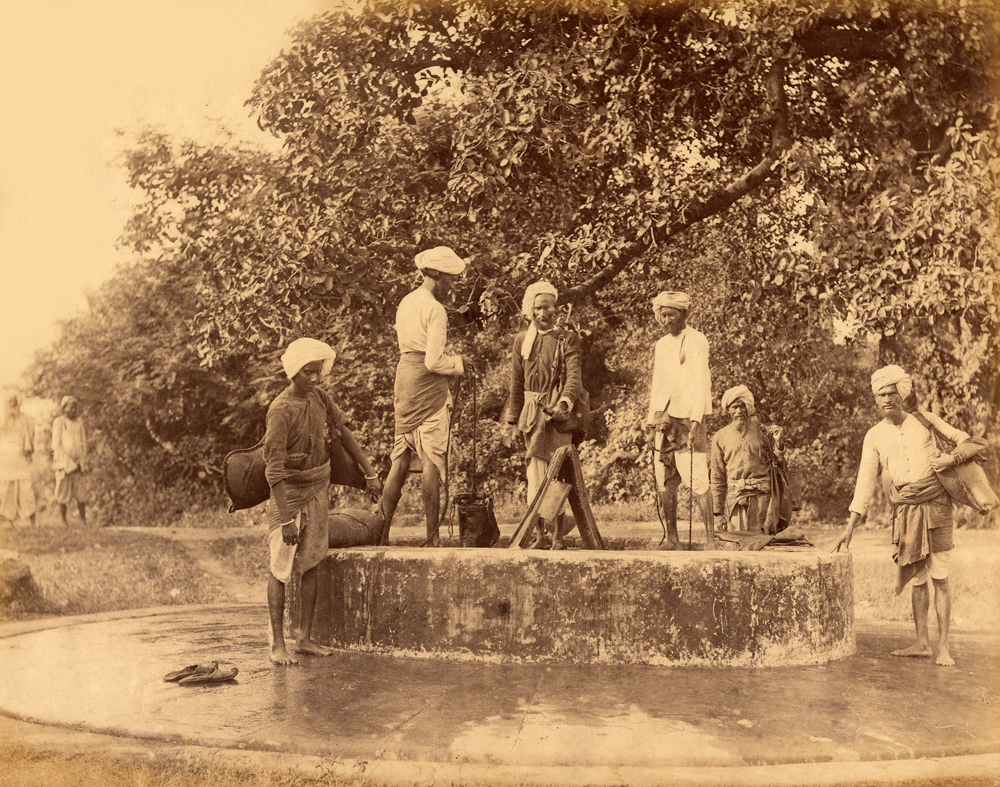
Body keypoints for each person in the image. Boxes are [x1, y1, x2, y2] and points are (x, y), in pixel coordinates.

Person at [832, 365, 976, 667]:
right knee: (918, 578)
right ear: (875, 399)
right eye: (881, 394)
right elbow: (865, 484)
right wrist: (850, 528)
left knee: (940, 575)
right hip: (906, 511)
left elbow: (967, 441)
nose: (887, 399)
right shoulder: (873, 436)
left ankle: (943, 647)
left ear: (902, 394)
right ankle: (922, 643)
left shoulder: (925, 421)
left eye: (892, 393)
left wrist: (951, 457)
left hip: (936, 505)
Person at [264, 337, 382, 666]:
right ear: (292, 372)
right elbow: (273, 470)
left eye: (318, 372)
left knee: (313, 561)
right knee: (281, 567)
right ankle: (277, 644)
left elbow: (344, 433)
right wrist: (286, 519)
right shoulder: (280, 409)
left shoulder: (320, 397)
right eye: (307, 372)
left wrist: (369, 472)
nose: (315, 378)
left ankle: (304, 637)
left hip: (317, 487)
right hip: (288, 494)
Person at [379, 246, 474, 547]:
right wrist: (460, 364)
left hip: (405, 381)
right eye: (450, 280)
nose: (452, 287)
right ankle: (432, 537)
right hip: (427, 385)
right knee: (432, 458)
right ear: (434, 275)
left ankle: (380, 533)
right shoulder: (434, 309)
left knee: (401, 458)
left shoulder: (406, 302)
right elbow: (433, 361)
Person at [506, 282, 583, 550]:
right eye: (538, 307)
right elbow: (516, 383)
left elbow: (573, 376)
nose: (543, 312)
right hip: (530, 414)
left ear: (556, 309)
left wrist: (564, 404)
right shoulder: (521, 341)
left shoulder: (567, 338)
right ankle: (540, 535)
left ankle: (558, 536)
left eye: (548, 306)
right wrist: (512, 421)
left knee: (558, 474)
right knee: (534, 475)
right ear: (531, 310)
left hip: (556, 414)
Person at [646, 291, 715, 549]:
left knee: (696, 476)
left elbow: (702, 381)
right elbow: (657, 385)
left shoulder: (696, 340)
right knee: (665, 478)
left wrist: (697, 417)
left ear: (683, 314)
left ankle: (710, 538)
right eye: (662, 315)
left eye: (671, 315)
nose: (666, 320)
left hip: (688, 417)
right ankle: (672, 538)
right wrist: (653, 423)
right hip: (664, 419)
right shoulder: (661, 345)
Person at [710, 385, 788, 534]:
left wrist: (778, 442)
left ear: (749, 408)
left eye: (742, 406)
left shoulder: (763, 432)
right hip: (735, 500)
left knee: (762, 543)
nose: (739, 411)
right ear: (728, 410)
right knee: (738, 544)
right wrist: (717, 513)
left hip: (763, 500)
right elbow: (717, 477)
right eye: (734, 407)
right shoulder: (720, 437)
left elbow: (779, 464)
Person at [0, 393, 36, 527]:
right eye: (10, 402)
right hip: (7, 460)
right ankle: (10, 521)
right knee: (8, 490)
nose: (13, 405)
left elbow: (29, 440)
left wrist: (29, 453)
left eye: (15, 402)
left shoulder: (25, 419)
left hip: (21, 459)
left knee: (26, 489)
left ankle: (31, 520)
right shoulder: (3, 420)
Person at [51, 395, 88, 527]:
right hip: (63, 462)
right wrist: (67, 460)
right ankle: (63, 520)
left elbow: (83, 442)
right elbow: (56, 444)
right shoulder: (59, 422)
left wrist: (82, 459)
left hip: (77, 462)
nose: (73, 410)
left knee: (81, 492)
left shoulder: (79, 423)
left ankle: (83, 519)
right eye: (70, 407)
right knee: (62, 490)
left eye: (75, 407)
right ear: (64, 408)